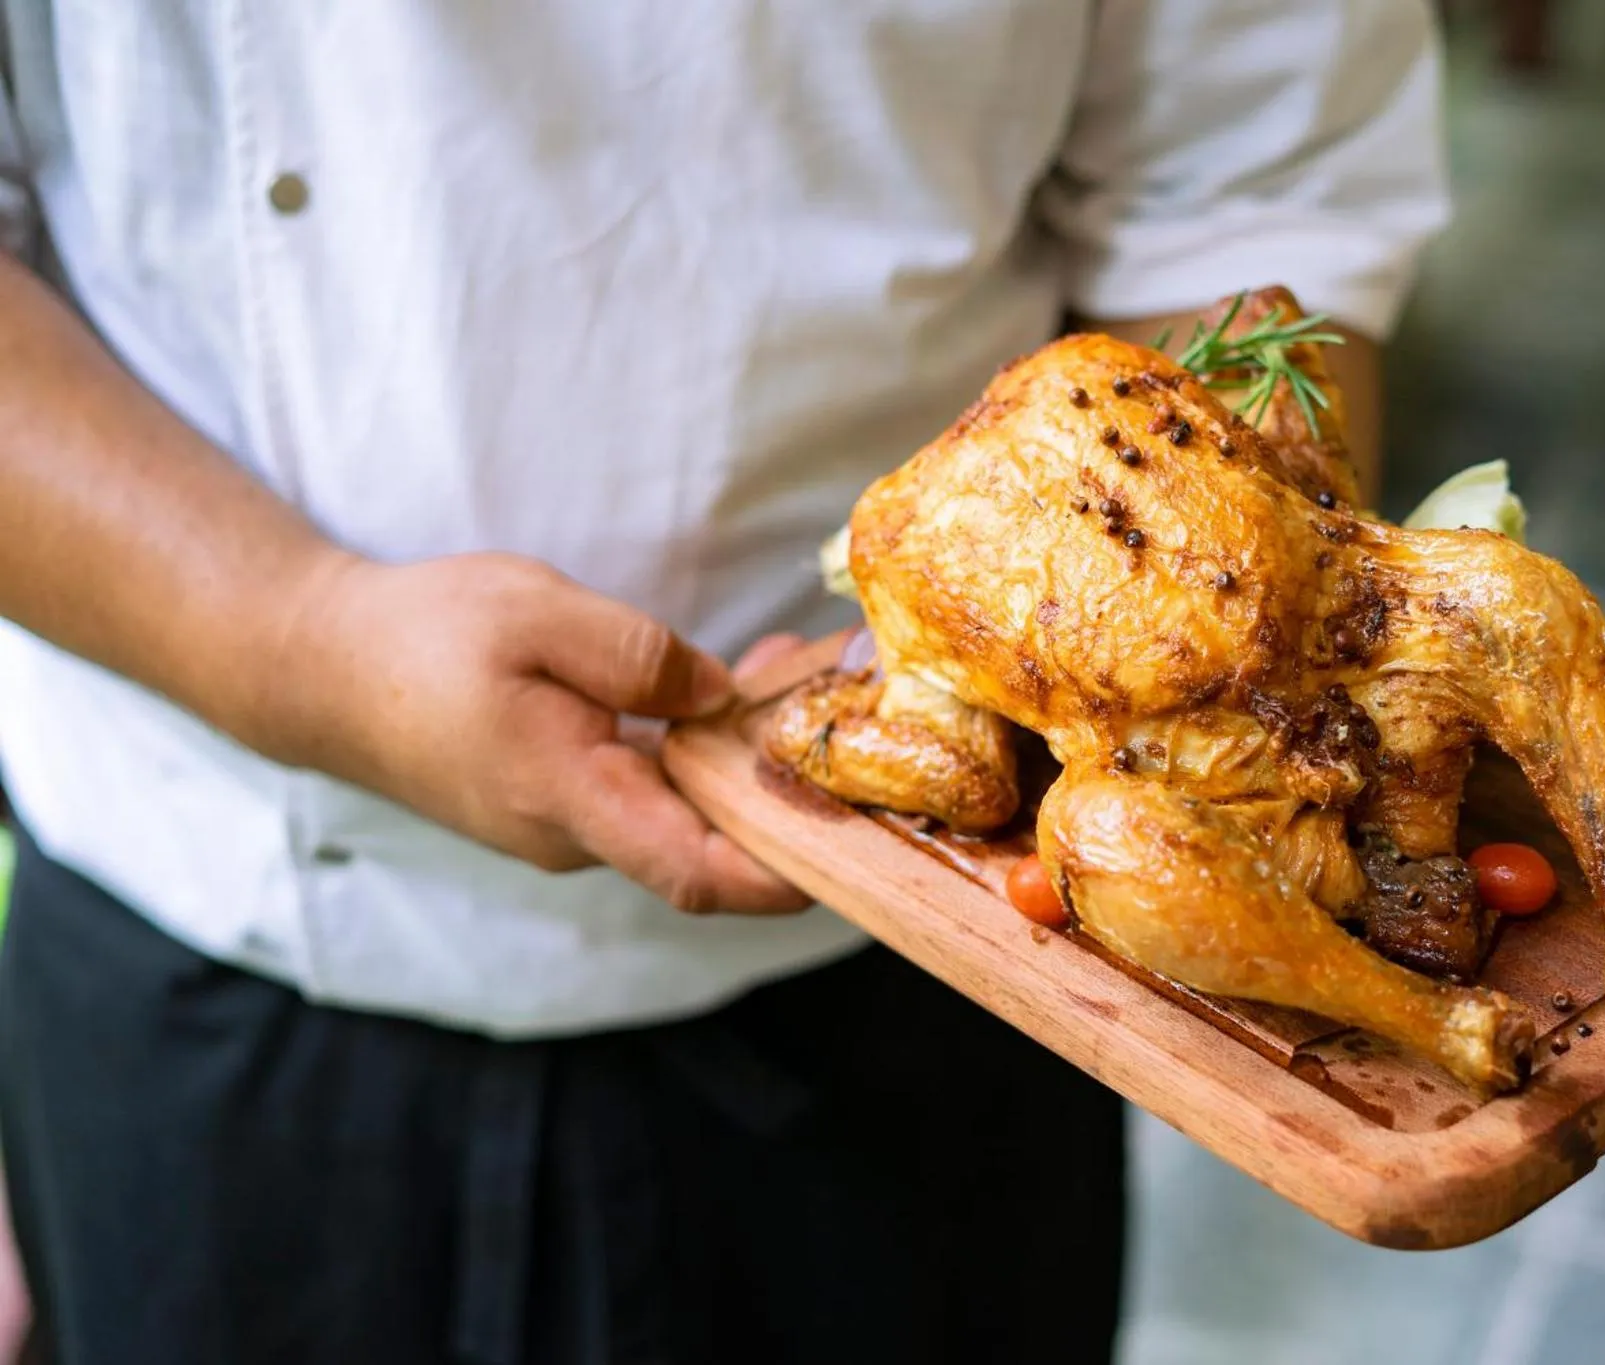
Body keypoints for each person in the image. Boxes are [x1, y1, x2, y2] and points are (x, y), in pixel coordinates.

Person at [0, 4, 1448, 1362]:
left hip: (941, 958)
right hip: (207, 956)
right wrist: (296, 638)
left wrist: (1187, 650)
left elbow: (1258, 192)